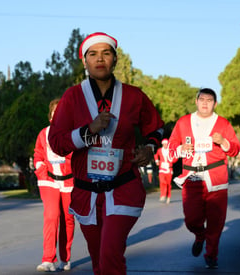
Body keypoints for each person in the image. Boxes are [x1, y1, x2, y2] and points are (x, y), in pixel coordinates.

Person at [48, 32, 164, 275]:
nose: (100, 59)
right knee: (99, 262)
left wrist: (150, 148)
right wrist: (88, 131)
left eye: (106, 53)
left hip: (123, 188)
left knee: (110, 254)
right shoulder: (72, 97)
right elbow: (57, 142)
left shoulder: (134, 95)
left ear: (115, 59)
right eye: (93, 54)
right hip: (86, 193)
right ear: (84, 61)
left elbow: (156, 128)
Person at [167, 88, 240, 269]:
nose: (205, 103)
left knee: (216, 220)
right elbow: (171, 149)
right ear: (196, 101)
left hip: (216, 178)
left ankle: (211, 254)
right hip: (192, 177)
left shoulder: (222, 124)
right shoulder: (184, 123)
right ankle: (200, 236)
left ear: (215, 104)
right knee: (191, 219)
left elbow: (235, 148)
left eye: (209, 100)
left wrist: (223, 141)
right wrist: (180, 149)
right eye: (202, 99)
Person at [33, 99, 75, 272]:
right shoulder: (44, 134)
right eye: (54, 112)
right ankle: (48, 259)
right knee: (52, 215)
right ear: (50, 116)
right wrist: (41, 169)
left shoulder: (73, 134)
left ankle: (65, 258)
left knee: (68, 218)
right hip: (48, 180)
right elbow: (38, 154)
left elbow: (79, 156)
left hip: (69, 181)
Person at [154, 138, 176, 203]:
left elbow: (175, 157)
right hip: (162, 168)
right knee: (162, 181)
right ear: (162, 144)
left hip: (169, 168)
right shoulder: (159, 150)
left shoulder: (170, 151)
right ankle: (163, 195)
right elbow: (156, 155)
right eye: (164, 144)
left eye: (166, 144)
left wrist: (172, 160)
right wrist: (157, 161)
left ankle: (168, 196)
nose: (165, 145)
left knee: (168, 184)